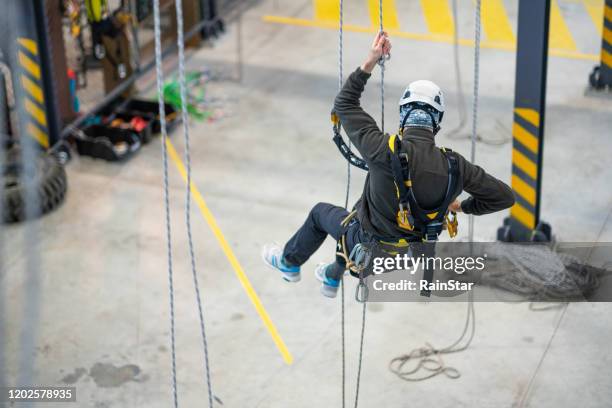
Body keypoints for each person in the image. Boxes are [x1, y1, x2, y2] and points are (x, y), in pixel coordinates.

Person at [263, 32, 515, 298]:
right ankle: (331, 277)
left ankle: (289, 264)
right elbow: (504, 197)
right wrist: (462, 206)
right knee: (357, 217)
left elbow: (345, 104)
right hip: (406, 260)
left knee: (323, 215)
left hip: (367, 248)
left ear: (404, 115)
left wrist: (371, 60)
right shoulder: (455, 166)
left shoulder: (381, 149)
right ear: (437, 123)